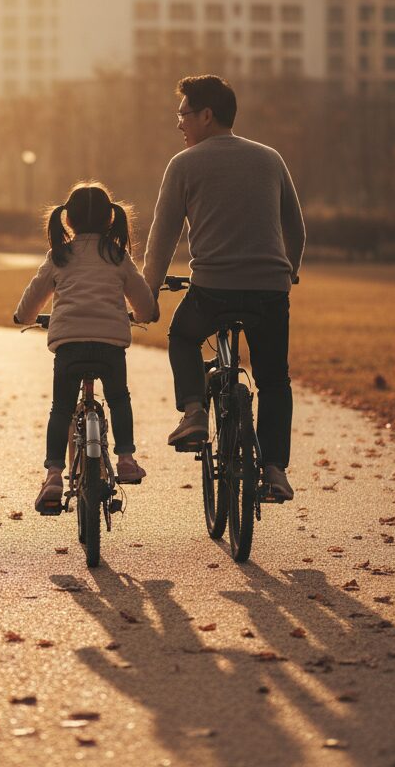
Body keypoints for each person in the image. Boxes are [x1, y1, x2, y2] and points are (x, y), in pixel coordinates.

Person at [142, 75, 305, 502]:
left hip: (213, 289)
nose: (178, 123)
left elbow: (162, 238)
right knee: (273, 380)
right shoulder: (270, 158)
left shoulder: (184, 165)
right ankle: (274, 470)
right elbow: (296, 227)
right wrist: (290, 270)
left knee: (182, 336)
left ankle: (194, 412)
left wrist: (149, 293)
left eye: (183, 113)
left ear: (206, 115)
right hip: (270, 291)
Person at [14, 182, 158, 514]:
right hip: (109, 346)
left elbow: (34, 294)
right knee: (119, 397)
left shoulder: (59, 256)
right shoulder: (117, 255)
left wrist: (23, 316)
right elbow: (142, 300)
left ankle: (53, 475)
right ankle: (125, 458)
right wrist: (145, 314)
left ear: (68, 221)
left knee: (61, 410)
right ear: (111, 219)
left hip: (70, 346)